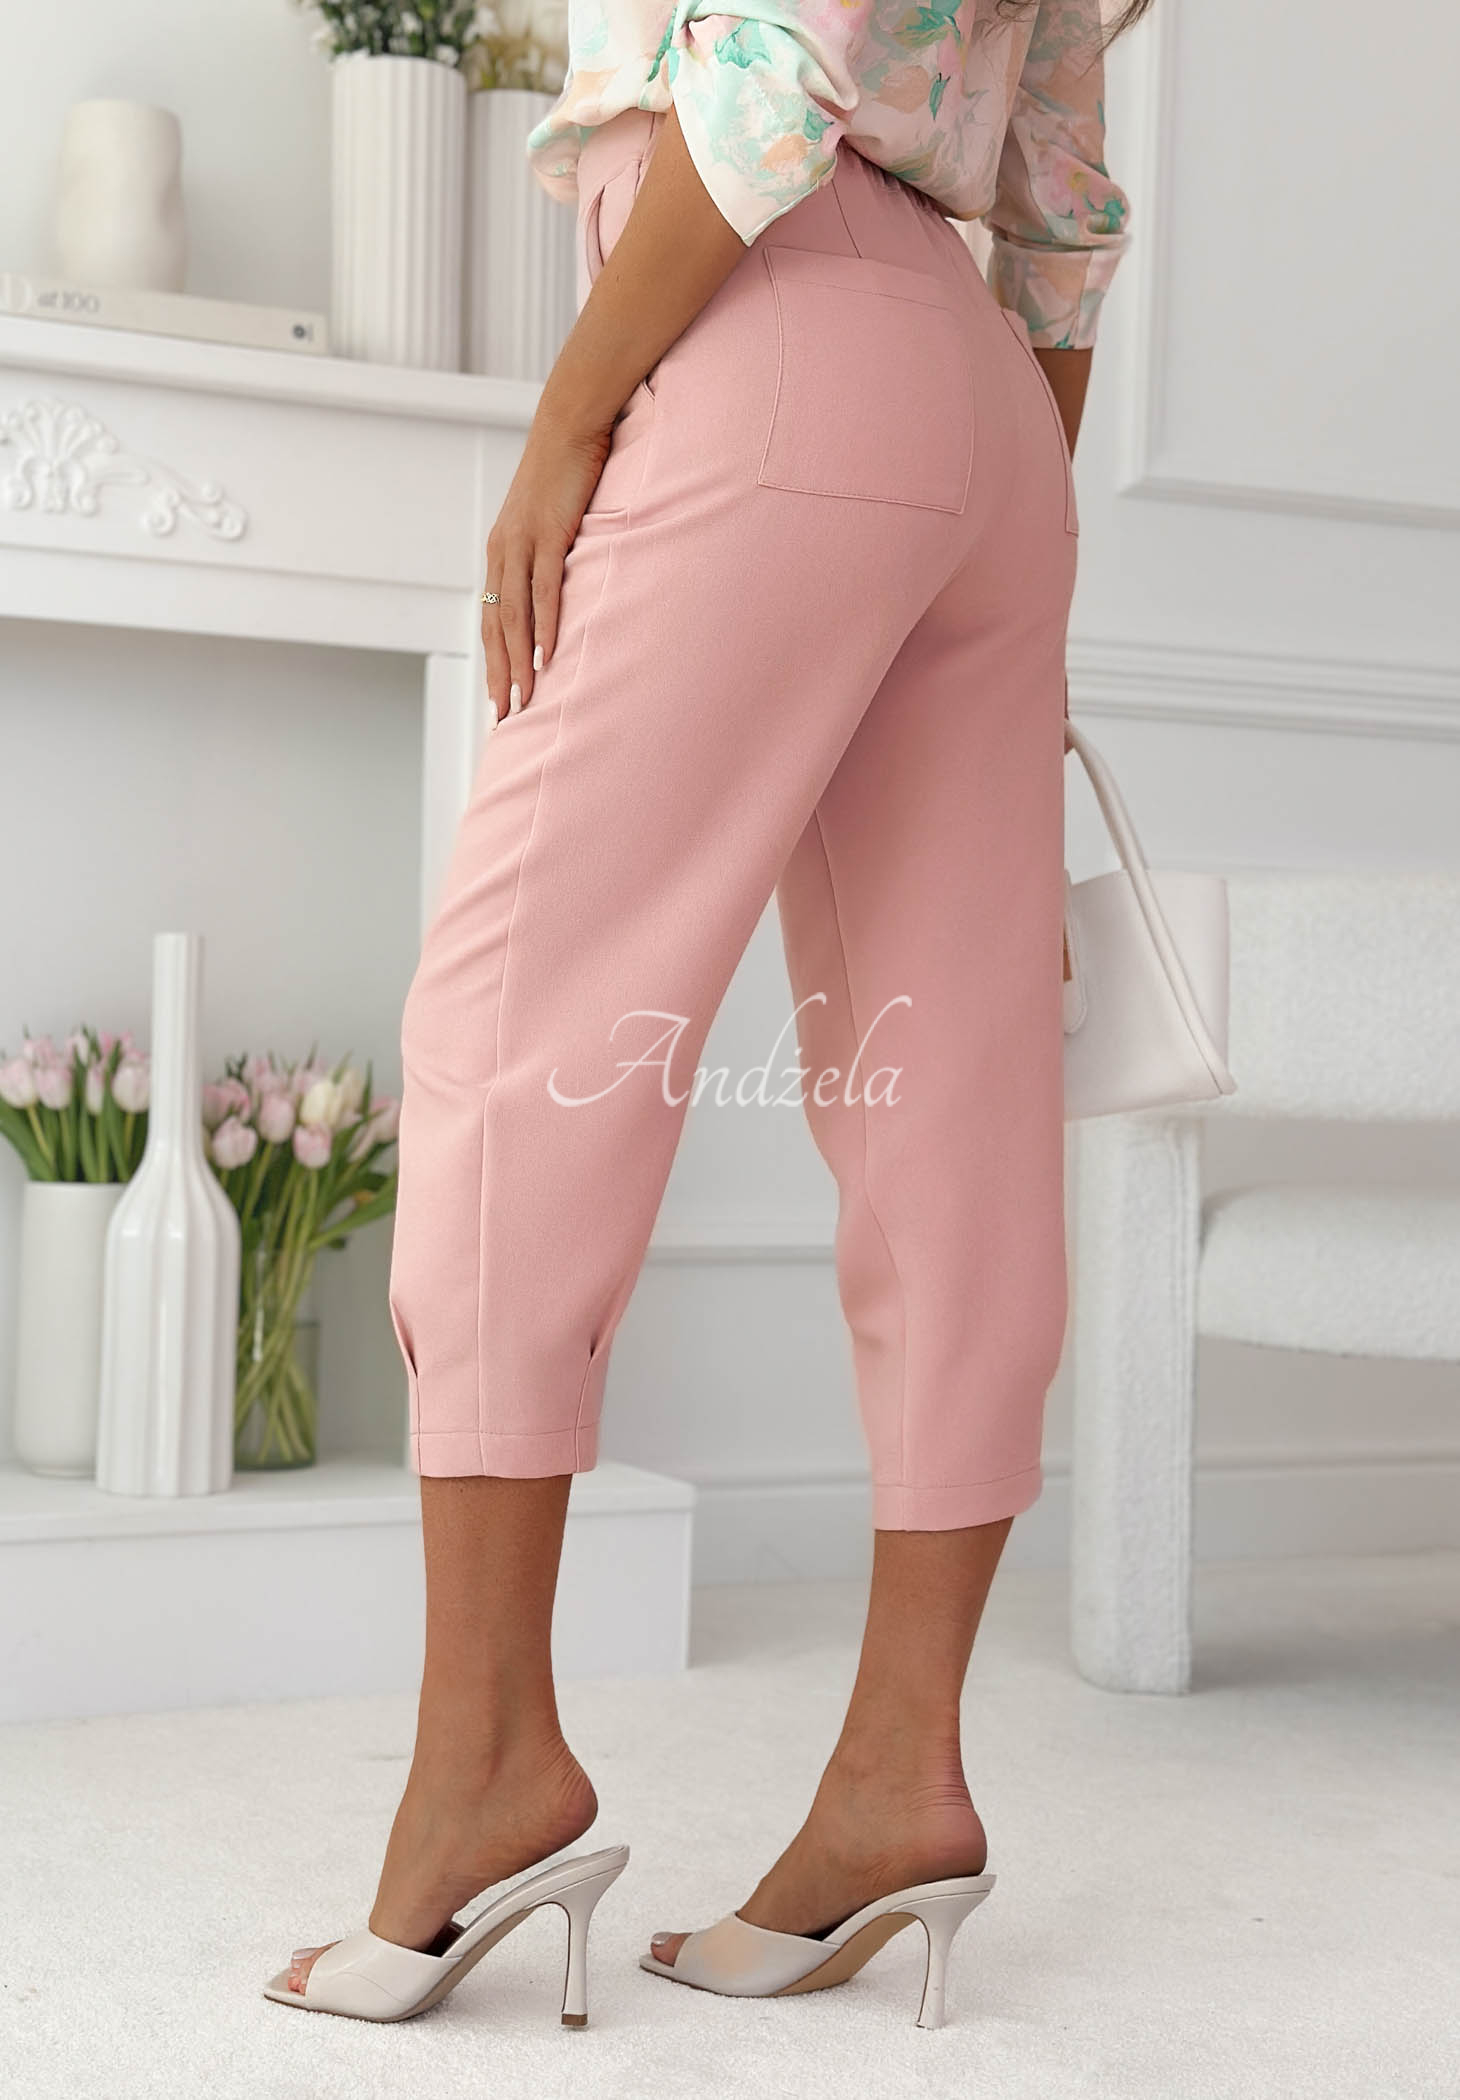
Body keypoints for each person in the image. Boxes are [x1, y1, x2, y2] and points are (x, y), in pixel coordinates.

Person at [267, 0, 1142, 2029]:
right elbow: (1067, 204)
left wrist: (569, 417)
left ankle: (487, 1769)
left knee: (523, 1014)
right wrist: (991, 521)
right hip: (995, 417)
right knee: (948, 1086)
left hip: (769, 316)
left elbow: (774, 64)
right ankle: (901, 1780)